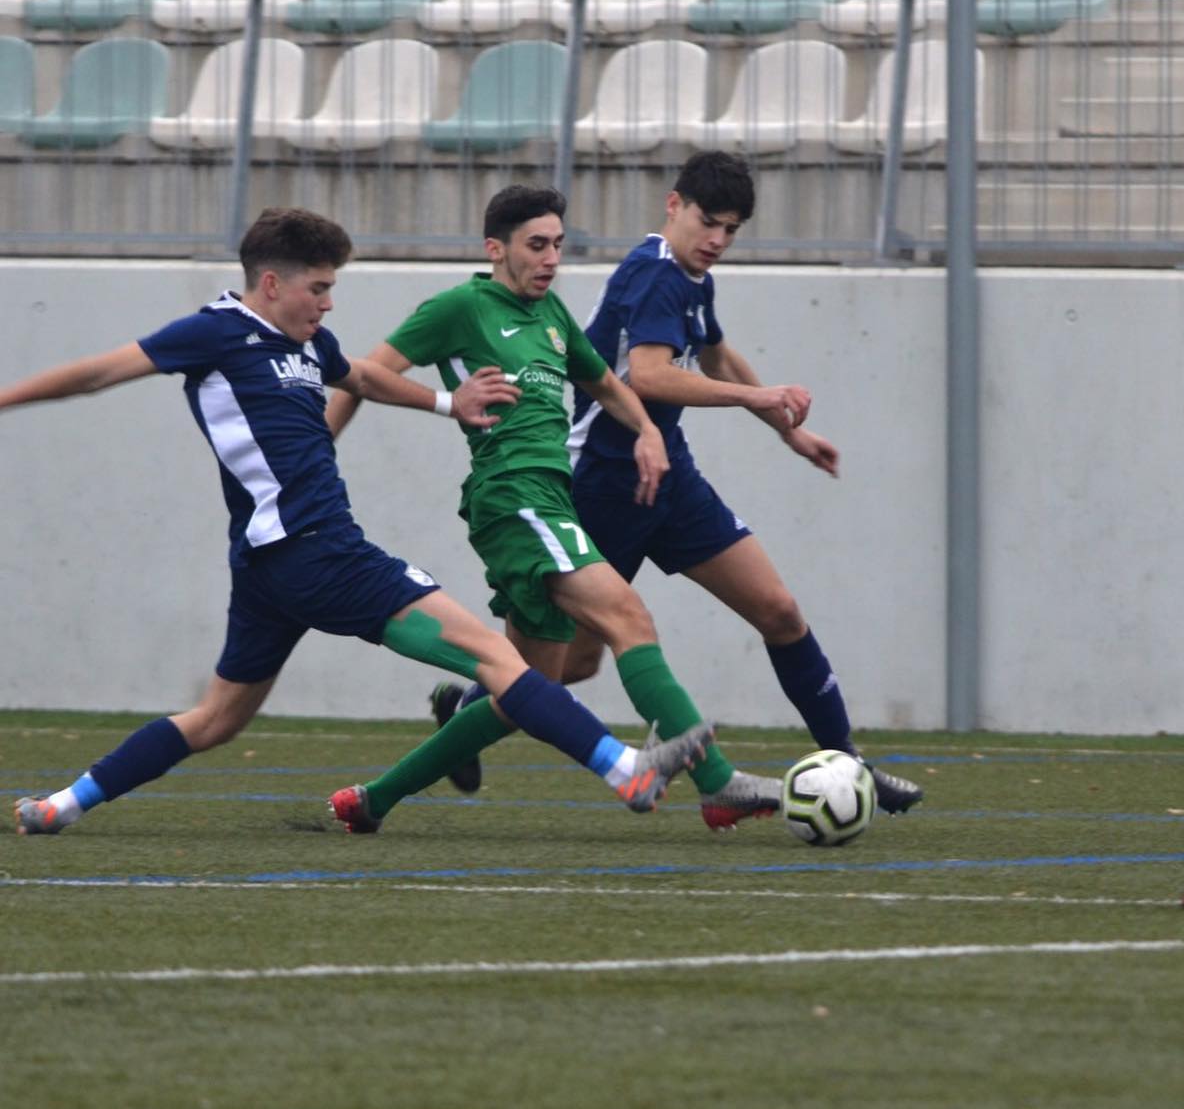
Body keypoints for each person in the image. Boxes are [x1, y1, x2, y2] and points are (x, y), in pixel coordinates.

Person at [6, 207, 710, 837]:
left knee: (217, 720)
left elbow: (366, 378)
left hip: (269, 566)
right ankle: (624, 766)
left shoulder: (312, 343)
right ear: (272, 283)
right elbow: (100, 372)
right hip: (319, 553)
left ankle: (63, 804)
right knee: (499, 659)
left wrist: (446, 402)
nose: (329, 300)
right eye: (318, 287)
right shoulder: (216, 332)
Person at [322, 185, 780, 831]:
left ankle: (371, 800)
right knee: (628, 615)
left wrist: (648, 432)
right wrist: (320, 449)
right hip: (512, 496)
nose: (550, 259)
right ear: (495, 248)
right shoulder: (461, 307)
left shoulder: (554, 316)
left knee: (522, 691)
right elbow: (362, 372)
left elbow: (607, 384)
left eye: (558, 245)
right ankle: (717, 781)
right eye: (536, 245)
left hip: (547, 498)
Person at [553, 150, 923, 816]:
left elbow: (716, 350)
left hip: (669, 476)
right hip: (605, 487)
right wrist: (757, 400)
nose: (718, 239)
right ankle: (469, 702)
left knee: (779, 610)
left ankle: (850, 764)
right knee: (573, 662)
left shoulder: (694, 276)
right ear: (673, 205)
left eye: (731, 229)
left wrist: (789, 430)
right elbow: (650, 375)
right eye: (708, 222)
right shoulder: (653, 273)